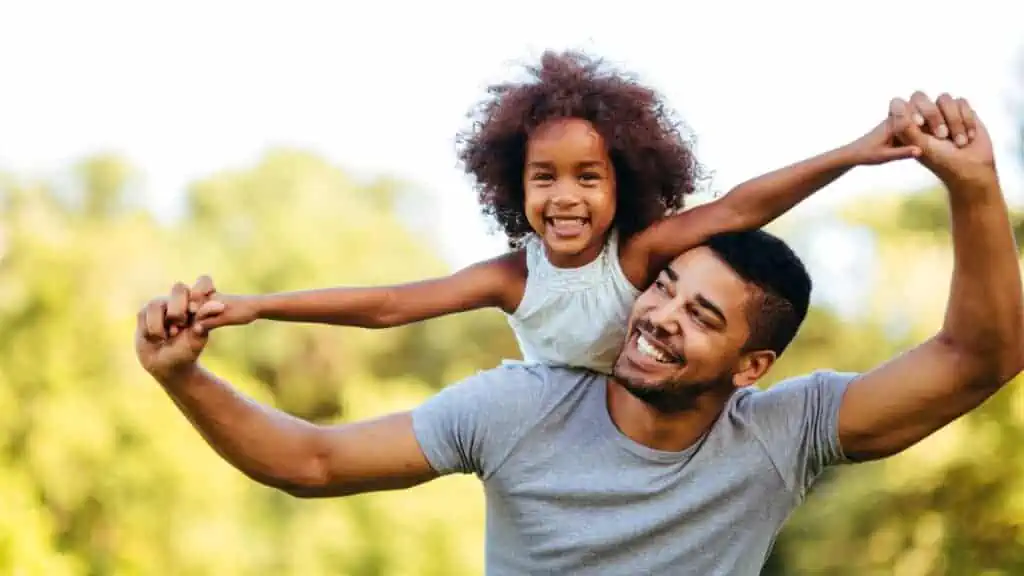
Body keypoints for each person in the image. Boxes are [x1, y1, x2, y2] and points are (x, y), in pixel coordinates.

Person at [136, 92, 1022, 575]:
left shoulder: (779, 436)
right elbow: (312, 462)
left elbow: (980, 358)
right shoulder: (517, 406)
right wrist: (186, 376)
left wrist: (973, 186)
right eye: (667, 288)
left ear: (753, 366)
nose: (660, 316)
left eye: (701, 316)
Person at [174, 51, 922, 374]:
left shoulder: (636, 258)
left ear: (622, 183)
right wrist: (257, 306)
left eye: (588, 177)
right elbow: (391, 304)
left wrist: (851, 153)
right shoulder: (512, 277)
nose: (565, 197)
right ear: (514, 185)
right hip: (554, 431)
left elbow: (740, 206)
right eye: (544, 178)